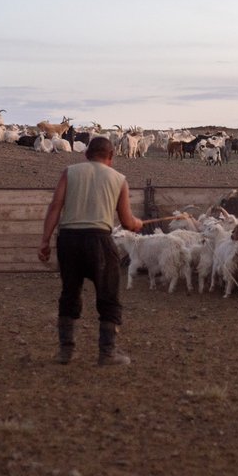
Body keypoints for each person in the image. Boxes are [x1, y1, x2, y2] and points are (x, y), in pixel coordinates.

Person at [38, 137, 143, 365]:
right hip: (100, 242)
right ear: (111, 157)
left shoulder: (69, 172)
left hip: (69, 240)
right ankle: (107, 353)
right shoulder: (119, 180)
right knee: (108, 296)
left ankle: (66, 351)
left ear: (86, 154)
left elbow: (55, 206)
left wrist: (45, 241)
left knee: (69, 292)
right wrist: (137, 224)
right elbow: (126, 222)